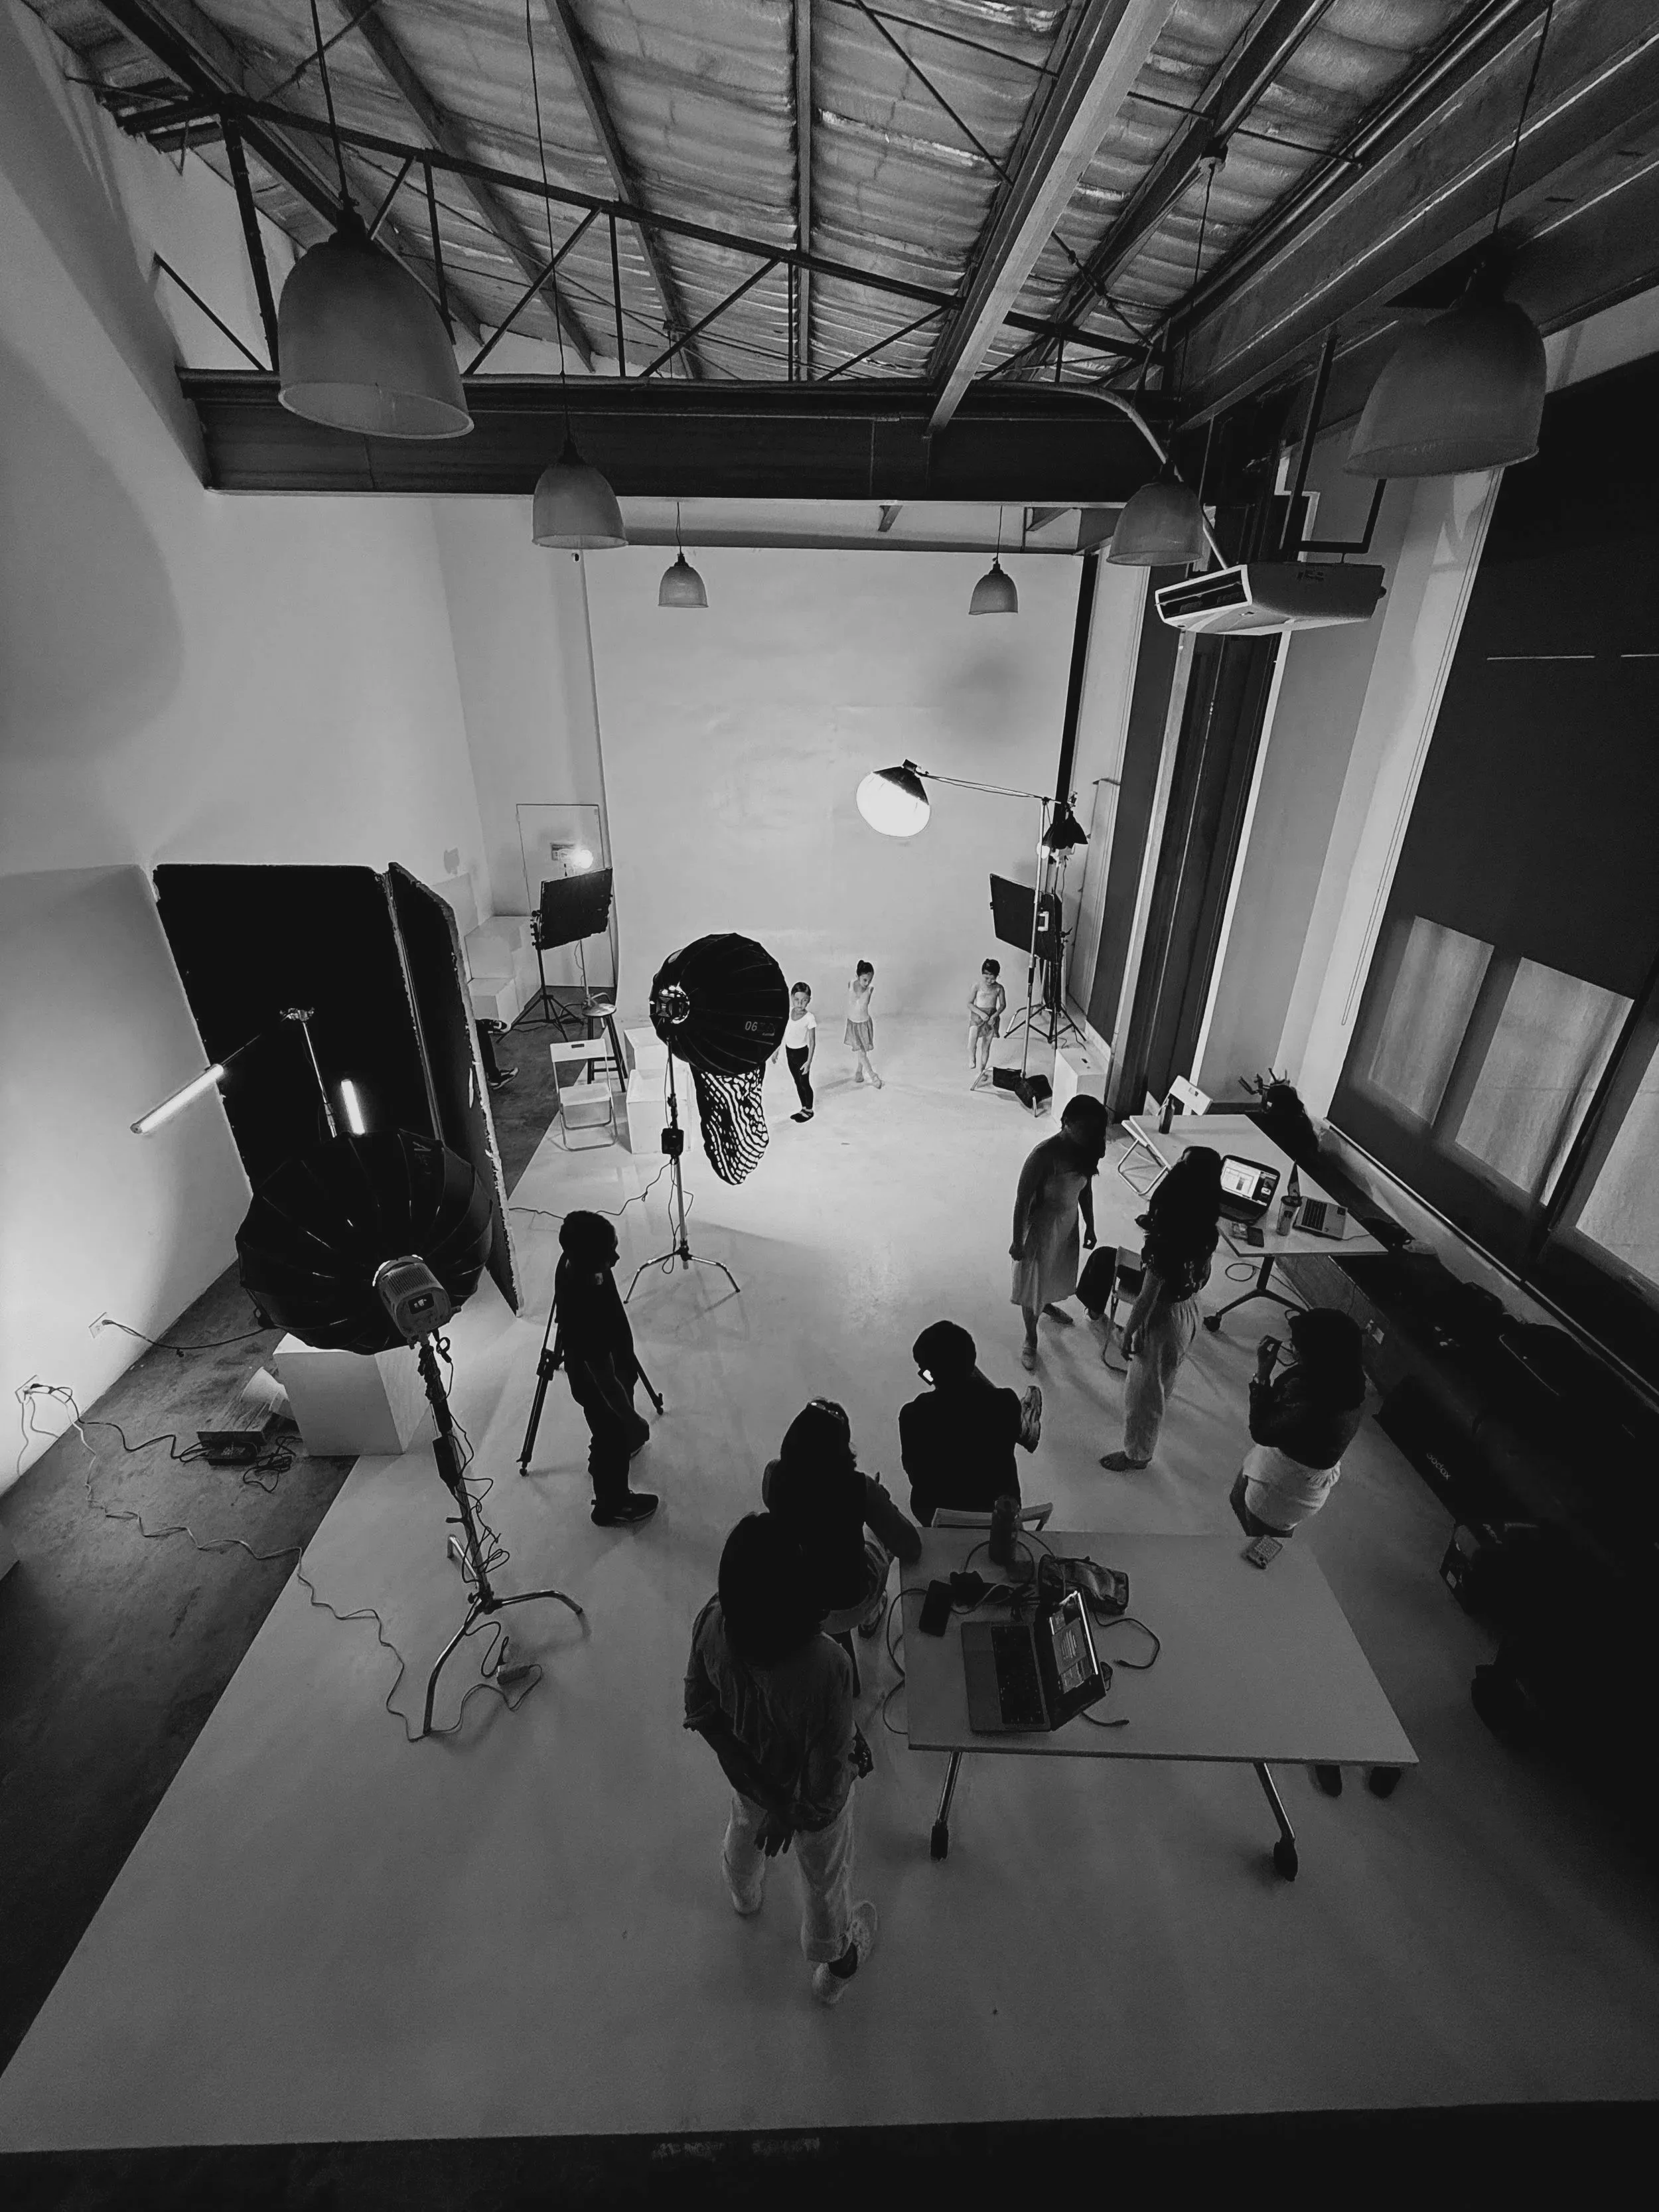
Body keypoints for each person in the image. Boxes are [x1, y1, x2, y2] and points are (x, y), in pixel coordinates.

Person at [683, 1514, 879, 2006]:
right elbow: (826, 1791)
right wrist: (787, 1810)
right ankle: (836, 1962)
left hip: (747, 1775)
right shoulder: (827, 1666)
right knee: (824, 1877)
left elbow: (700, 1710)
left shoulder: (712, 1620)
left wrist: (761, 1790)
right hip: (802, 1807)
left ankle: (744, 1895)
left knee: (744, 1830)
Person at [1100, 1147, 1222, 1471]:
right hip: (1189, 1310)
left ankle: (1136, 1455)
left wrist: (1129, 1332)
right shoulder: (1207, 1230)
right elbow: (1204, 1276)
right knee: (1167, 1373)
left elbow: (1147, 1296)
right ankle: (1162, 1402)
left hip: (1162, 1319)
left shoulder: (1166, 1241)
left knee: (1142, 1395)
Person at [762, 1400, 920, 1647]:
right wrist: (881, 1501)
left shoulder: (775, 1478)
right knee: (878, 1537)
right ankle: (871, 1614)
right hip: (852, 1603)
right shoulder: (860, 1488)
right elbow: (910, 1546)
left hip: (797, 1606)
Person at [552, 1210, 658, 1527]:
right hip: (600, 1385)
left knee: (607, 1431)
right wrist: (632, 1420)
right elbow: (604, 1380)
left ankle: (604, 1455)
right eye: (607, 1253)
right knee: (611, 1434)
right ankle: (612, 1504)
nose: (616, 1257)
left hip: (605, 1370)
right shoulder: (585, 1307)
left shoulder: (577, 1261)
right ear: (587, 1258)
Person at [1230, 1309, 1367, 1540]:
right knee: (1237, 1500)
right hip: (1282, 1458)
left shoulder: (1315, 1404)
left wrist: (1262, 1376)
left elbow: (1261, 1429)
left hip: (1285, 1485)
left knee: (1263, 1543)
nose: (1291, 1348)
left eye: (1297, 1347)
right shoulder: (1344, 1377)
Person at [899, 1320, 1042, 1525]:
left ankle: (1025, 1429)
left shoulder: (913, 1414)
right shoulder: (1005, 1402)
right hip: (999, 1512)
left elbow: (915, 1475)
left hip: (936, 1514)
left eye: (926, 1373)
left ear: (932, 1375)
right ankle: (1025, 1428)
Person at [1009, 1095, 1109, 1371]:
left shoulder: (1085, 1150)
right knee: (1033, 1285)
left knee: (1053, 1272)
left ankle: (1047, 1303)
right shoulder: (1043, 1155)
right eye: (1085, 1128)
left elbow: (1085, 1189)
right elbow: (1022, 1200)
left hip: (1066, 1225)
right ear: (1067, 1122)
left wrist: (1090, 1223)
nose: (1090, 1135)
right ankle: (1031, 1337)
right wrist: (1018, 1241)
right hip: (1041, 1229)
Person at [773, 980, 818, 1123]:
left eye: (804, 1000)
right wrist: (776, 1050)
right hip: (789, 1052)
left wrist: (809, 1062)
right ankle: (803, 1108)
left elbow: (812, 1041)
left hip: (801, 1054)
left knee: (804, 1082)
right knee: (797, 1082)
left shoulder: (809, 1018)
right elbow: (782, 1033)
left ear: (809, 1001)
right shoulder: (788, 1013)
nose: (800, 1003)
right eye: (797, 1000)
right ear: (792, 998)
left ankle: (809, 1110)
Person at [968, 958, 1007, 1088]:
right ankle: (972, 1057)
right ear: (982, 974)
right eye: (987, 978)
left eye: (992, 978)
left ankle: (981, 1071)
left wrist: (994, 1016)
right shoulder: (977, 986)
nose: (990, 981)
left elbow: (1002, 1005)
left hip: (991, 1017)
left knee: (986, 1046)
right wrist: (981, 1013)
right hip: (978, 1016)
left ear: (997, 976)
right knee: (972, 1040)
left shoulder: (999, 988)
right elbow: (969, 1003)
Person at [845, 960, 881, 1087]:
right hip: (853, 1024)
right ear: (858, 976)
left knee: (862, 1052)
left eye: (870, 980)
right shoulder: (851, 984)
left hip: (864, 1024)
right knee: (860, 1052)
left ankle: (859, 1071)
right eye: (865, 980)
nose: (867, 983)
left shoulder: (870, 990)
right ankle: (873, 1076)